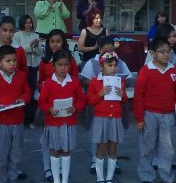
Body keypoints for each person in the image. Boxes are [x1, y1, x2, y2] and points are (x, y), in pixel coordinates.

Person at [133, 38, 176, 183]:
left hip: (168, 115)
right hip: (149, 115)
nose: (166, 55)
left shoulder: (174, 71)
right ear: (152, 53)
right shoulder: (146, 71)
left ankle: (166, 176)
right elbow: (139, 95)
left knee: (167, 149)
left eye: (168, 52)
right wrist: (139, 118)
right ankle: (146, 175)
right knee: (147, 147)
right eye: (162, 52)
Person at [80, 36, 132, 175]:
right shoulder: (92, 64)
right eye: (105, 50)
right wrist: (100, 90)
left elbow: (127, 80)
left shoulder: (119, 63)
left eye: (111, 49)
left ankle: (112, 164)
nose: (113, 67)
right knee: (98, 137)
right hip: (99, 110)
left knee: (113, 139)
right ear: (100, 49)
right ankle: (95, 160)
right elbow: (85, 82)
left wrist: (121, 92)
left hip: (115, 111)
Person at [0, 45, 31, 183]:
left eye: (14, 60)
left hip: (17, 120)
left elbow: (27, 92)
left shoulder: (21, 75)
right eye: (8, 61)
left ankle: (13, 177)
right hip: (0, 121)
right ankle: (1, 179)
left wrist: (23, 99)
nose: (12, 64)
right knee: (0, 154)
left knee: (16, 153)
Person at [38, 49, 87, 183]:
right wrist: (49, 109)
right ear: (53, 66)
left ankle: (64, 179)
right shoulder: (48, 83)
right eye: (60, 65)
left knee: (66, 151)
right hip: (53, 123)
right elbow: (41, 101)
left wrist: (75, 107)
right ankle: (56, 180)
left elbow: (82, 100)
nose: (63, 68)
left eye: (66, 65)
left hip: (68, 122)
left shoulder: (75, 82)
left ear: (70, 65)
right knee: (54, 150)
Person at [87, 51, 128, 183]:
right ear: (101, 67)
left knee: (113, 148)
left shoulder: (120, 81)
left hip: (115, 118)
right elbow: (90, 101)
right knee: (101, 148)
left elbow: (124, 101)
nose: (113, 68)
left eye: (115, 66)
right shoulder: (95, 82)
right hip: (101, 119)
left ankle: (109, 179)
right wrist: (100, 93)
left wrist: (123, 94)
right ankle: (100, 178)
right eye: (109, 65)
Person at [13, 15, 42, 128]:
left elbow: (39, 52)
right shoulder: (16, 35)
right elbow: (18, 50)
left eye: (30, 22)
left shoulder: (36, 35)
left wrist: (35, 47)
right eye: (26, 23)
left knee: (31, 92)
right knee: (21, 92)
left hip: (33, 67)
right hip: (21, 67)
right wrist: (30, 46)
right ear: (22, 24)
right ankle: (21, 118)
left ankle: (30, 119)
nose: (28, 25)